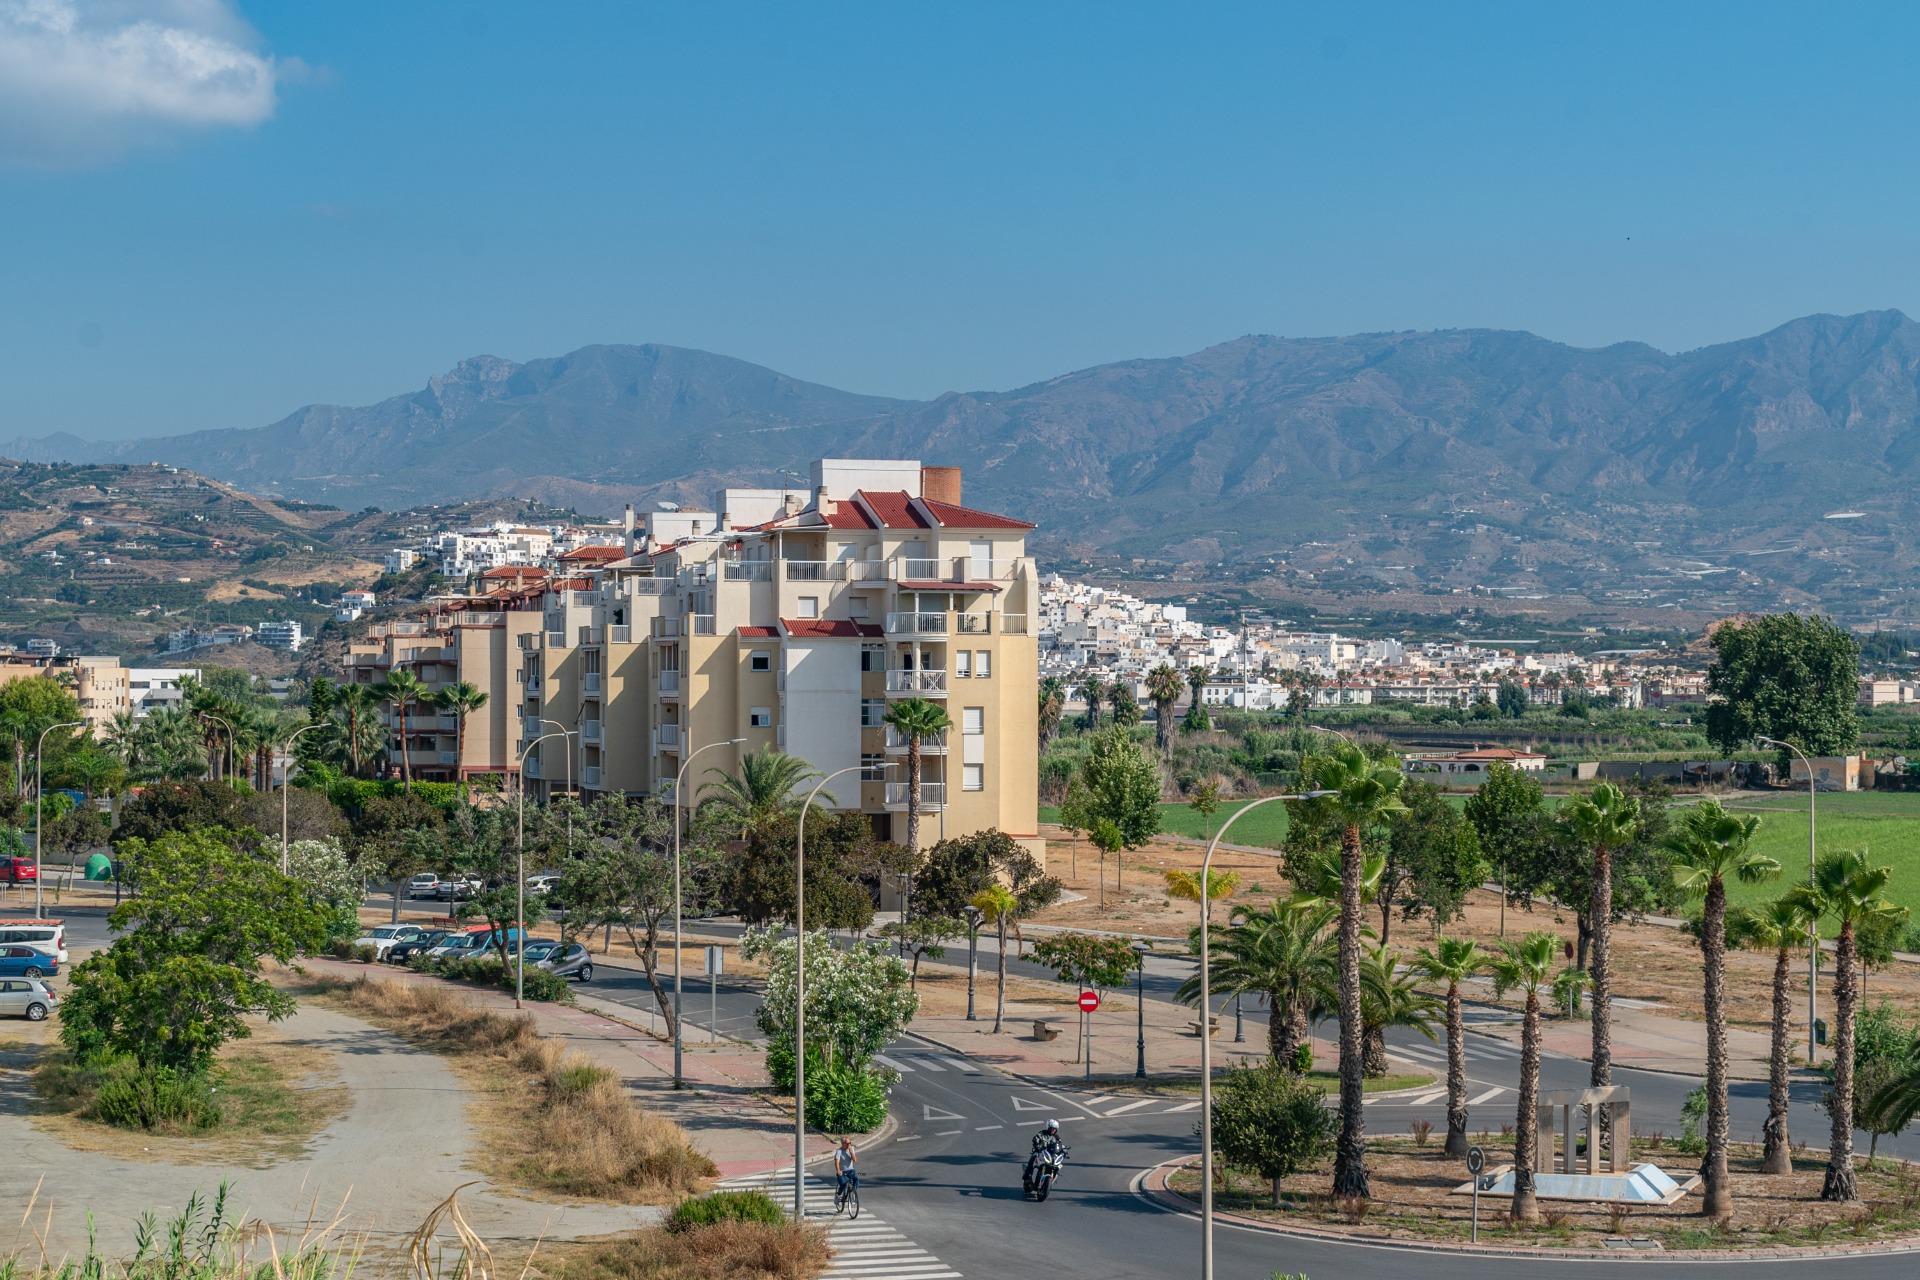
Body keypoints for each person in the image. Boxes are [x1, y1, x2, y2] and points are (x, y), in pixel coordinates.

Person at [1025, 1118, 1063, 1188]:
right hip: (1040, 1152)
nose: (1053, 1130)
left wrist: (1063, 1150)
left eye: (1054, 1129)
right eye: (1052, 1128)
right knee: (1033, 1157)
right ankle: (1027, 1176)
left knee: (1059, 1165)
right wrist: (1037, 1144)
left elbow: (1060, 1145)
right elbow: (1035, 1138)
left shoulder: (1056, 1137)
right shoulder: (1042, 1133)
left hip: (1050, 1154)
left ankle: (1052, 1178)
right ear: (1048, 1127)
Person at [834, 1136, 858, 1201]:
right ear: (843, 1143)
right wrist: (838, 1170)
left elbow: (855, 1160)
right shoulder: (839, 1151)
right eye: (847, 1143)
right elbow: (836, 1162)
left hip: (851, 1170)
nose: (849, 1144)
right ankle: (838, 1195)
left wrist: (851, 1152)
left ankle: (853, 1192)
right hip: (842, 1171)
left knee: (856, 1179)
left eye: (850, 1143)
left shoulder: (851, 1149)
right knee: (843, 1184)